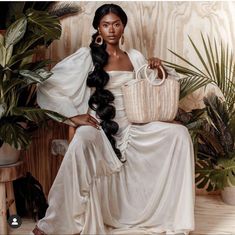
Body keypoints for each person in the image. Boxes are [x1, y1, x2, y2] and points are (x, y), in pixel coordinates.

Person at [32, 4, 195, 235]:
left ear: (123, 27)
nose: (111, 29)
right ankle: (55, 222)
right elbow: (49, 85)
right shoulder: (86, 57)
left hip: (134, 126)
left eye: (116, 24)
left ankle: (176, 218)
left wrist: (159, 70)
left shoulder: (135, 57)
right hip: (99, 126)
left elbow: (153, 89)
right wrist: (72, 116)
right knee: (82, 139)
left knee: (179, 134)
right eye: (106, 24)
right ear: (98, 28)